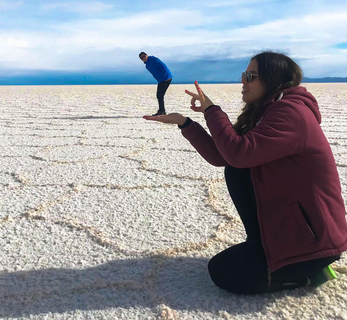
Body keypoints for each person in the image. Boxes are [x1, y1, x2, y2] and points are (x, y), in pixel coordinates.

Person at [143, 51, 347, 294]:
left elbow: (239, 152)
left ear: (273, 79)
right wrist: (186, 124)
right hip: (295, 232)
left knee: (223, 272)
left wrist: (211, 109)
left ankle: (307, 275)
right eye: (244, 74)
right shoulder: (268, 111)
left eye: (251, 76)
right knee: (237, 171)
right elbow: (225, 157)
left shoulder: (291, 113)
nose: (243, 81)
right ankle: (261, 245)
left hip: (314, 241)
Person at [139, 52, 173, 116]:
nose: (143, 58)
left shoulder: (153, 59)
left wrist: (163, 76)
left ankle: (162, 111)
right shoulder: (147, 65)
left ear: (147, 55)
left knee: (159, 95)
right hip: (161, 80)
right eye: (141, 58)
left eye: (144, 56)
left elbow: (163, 66)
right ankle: (162, 111)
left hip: (165, 78)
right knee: (159, 95)